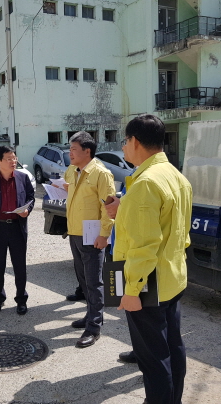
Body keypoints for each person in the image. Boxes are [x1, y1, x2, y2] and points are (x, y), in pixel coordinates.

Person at [111, 115, 192, 404]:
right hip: (172, 276)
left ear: (134, 141)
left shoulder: (145, 183)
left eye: (124, 141)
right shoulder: (176, 176)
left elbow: (144, 246)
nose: (123, 147)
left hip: (148, 283)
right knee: (172, 345)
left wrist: (131, 290)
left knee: (153, 358)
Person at [64, 131, 116, 348]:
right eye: (69, 149)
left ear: (87, 151)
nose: (70, 153)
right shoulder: (73, 170)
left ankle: (94, 327)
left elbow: (109, 208)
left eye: (74, 149)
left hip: (93, 235)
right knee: (83, 279)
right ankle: (89, 314)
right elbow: (67, 184)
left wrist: (104, 234)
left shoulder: (101, 174)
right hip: (75, 232)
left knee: (94, 282)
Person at [0, 145, 35, 315]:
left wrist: (27, 210)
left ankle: (21, 300)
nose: (13, 161)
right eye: (9, 159)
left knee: (20, 266)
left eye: (14, 158)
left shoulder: (23, 178)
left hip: (17, 227)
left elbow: (31, 198)